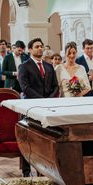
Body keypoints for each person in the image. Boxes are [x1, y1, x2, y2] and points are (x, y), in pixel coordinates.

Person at [17, 38, 59, 176]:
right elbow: (25, 87)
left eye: (41, 46)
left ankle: (43, 169)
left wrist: (49, 100)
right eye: (36, 47)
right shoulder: (24, 66)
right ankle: (26, 170)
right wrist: (41, 100)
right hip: (31, 106)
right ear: (30, 50)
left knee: (44, 139)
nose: (40, 48)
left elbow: (55, 86)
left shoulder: (48, 66)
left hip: (47, 107)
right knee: (27, 138)